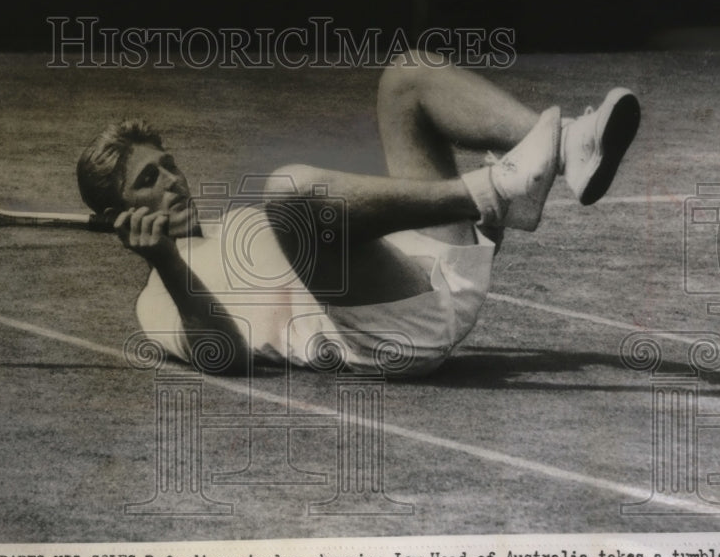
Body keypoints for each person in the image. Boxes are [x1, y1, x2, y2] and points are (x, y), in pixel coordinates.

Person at [76, 51, 640, 377]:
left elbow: (365, 239)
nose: (173, 180)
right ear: (116, 215)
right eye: (148, 180)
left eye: (168, 164)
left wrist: (481, 236)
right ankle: (498, 188)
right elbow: (228, 357)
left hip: (427, 272)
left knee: (405, 78)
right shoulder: (155, 303)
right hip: (389, 336)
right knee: (289, 193)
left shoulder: (236, 226)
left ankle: (570, 148)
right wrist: (168, 263)